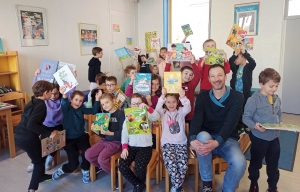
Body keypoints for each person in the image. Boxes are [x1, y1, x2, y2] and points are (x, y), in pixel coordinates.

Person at [190, 64, 246, 192]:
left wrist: (217, 142)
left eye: (220, 75)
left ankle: (227, 189)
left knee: (240, 163)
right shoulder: (203, 97)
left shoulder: (237, 97)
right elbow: (197, 118)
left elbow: (231, 122)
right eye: (213, 76)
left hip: (228, 140)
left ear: (226, 76)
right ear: (209, 79)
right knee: (202, 136)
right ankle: (207, 184)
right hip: (207, 139)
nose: (217, 79)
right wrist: (192, 139)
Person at [27, 70, 76, 172]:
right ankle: (35, 161)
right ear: (48, 93)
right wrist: (36, 75)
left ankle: (50, 158)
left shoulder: (62, 100)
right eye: (52, 93)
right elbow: (37, 89)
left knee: (54, 143)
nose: (53, 96)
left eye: (56, 93)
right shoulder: (46, 100)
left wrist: (73, 78)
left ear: (59, 92)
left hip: (58, 125)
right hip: (45, 126)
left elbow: (70, 92)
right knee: (42, 144)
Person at [14, 80, 58, 192]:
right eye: (50, 92)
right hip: (27, 138)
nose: (51, 94)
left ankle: (41, 176)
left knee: (41, 155)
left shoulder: (32, 100)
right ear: (45, 93)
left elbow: (31, 120)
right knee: (38, 163)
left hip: (19, 135)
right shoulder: (41, 105)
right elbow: (31, 124)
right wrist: (49, 133)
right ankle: (32, 189)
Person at [243, 68, 282, 192]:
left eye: (276, 86)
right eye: (271, 86)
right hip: (259, 138)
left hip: (274, 137)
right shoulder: (253, 100)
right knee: (256, 163)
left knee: (273, 165)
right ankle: (254, 183)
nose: (274, 89)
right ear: (261, 84)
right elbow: (246, 117)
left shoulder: (276, 98)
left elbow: (279, 112)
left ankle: (272, 186)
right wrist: (255, 126)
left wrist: (280, 121)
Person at [52, 89, 101, 183]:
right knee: (73, 164)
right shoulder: (67, 109)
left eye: (80, 100)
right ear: (71, 99)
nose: (78, 102)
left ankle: (85, 169)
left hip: (81, 136)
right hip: (68, 139)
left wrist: (97, 99)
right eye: (76, 100)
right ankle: (63, 169)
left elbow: (94, 110)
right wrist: (64, 94)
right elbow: (64, 103)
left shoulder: (82, 109)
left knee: (87, 152)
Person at [118, 93, 160, 192]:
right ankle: (139, 184)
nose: (136, 106)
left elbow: (156, 116)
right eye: (134, 104)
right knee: (122, 165)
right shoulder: (128, 117)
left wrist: (147, 108)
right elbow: (124, 133)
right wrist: (124, 147)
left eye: (139, 103)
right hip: (131, 147)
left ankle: (139, 187)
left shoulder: (146, 114)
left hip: (145, 147)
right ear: (130, 105)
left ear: (143, 103)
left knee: (140, 167)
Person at [155, 88, 191, 192]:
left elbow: (188, 107)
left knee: (183, 165)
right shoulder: (163, 112)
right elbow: (157, 108)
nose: (171, 104)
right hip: (167, 144)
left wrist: (183, 97)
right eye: (168, 102)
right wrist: (162, 96)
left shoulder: (181, 112)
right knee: (171, 164)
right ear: (165, 103)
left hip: (181, 143)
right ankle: (178, 187)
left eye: (174, 102)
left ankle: (176, 187)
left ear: (177, 102)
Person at [85, 93, 125, 185]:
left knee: (101, 159)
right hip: (105, 140)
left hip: (116, 142)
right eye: (102, 104)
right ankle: (105, 168)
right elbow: (103, 135)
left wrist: (109, 133)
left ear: (114, 101)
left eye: (107, 102)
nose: (105, 105)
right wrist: (96, 130)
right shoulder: (104, 115)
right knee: (88, 154)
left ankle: (115, 174)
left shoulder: (120, 114)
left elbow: (123, 133)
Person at [229, 43, 256, 131]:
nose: (235, 59)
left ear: (244, 58)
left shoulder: (249, 67)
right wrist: (235, 55)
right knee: (237, 110)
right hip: (236, 93)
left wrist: (244, 52)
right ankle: (239, 126)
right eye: (235, 57)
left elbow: (253, 62)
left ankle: (246, 125)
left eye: (238, 57)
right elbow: (230, 62)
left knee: (246, 110)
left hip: (245, 93)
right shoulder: (235, 67)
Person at [181, 56, 201, 125]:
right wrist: (168, 64)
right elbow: (167, 77)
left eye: (191, 75)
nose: (188, 76)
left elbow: (198, 76)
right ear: (180, 74)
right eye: (186, 73)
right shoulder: (175, 84)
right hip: (177, 115)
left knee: (189, 133)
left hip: (189, 116)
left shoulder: (190, 85)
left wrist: (193, 63)